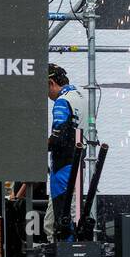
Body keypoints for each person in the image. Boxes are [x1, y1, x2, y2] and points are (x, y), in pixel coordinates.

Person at [46, 63, 84, 241]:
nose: (46, 95)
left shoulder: (62, 101)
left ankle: (65, 253)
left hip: (63, 165)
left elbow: (57, 135)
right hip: (78, 163)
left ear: (51, 82)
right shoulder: (81, 96)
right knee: (71, 211)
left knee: (63, 211)